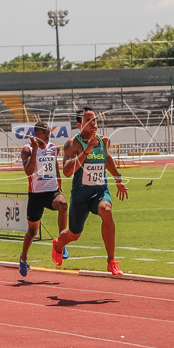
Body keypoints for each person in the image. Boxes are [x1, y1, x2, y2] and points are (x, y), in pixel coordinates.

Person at [52, 108, 128, 276]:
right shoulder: (72, 144)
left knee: (105, 210)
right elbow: (66, 171)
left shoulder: (103, 141)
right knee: (73, 234)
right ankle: (58, 245)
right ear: (79, 124)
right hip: (80, 197)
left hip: (100, 191)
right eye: (88, 120)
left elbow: (107, 159)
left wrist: (118, 179)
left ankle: (111, 261)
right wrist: (86, 152)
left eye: (94, 119)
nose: (93, 123)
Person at [18, 121, 68, 277]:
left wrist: (59, 181)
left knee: (63, 204)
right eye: (45, 132)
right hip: (36, 194)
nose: (48, 134)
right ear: (37, 133)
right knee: (32, 231)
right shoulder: (27, 149)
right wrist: (34, 152)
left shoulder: (53, 148)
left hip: (51, 191)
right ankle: (23, 258)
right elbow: (28, 171)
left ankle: (61, 242)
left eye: (49, 132)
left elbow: (55, 165)